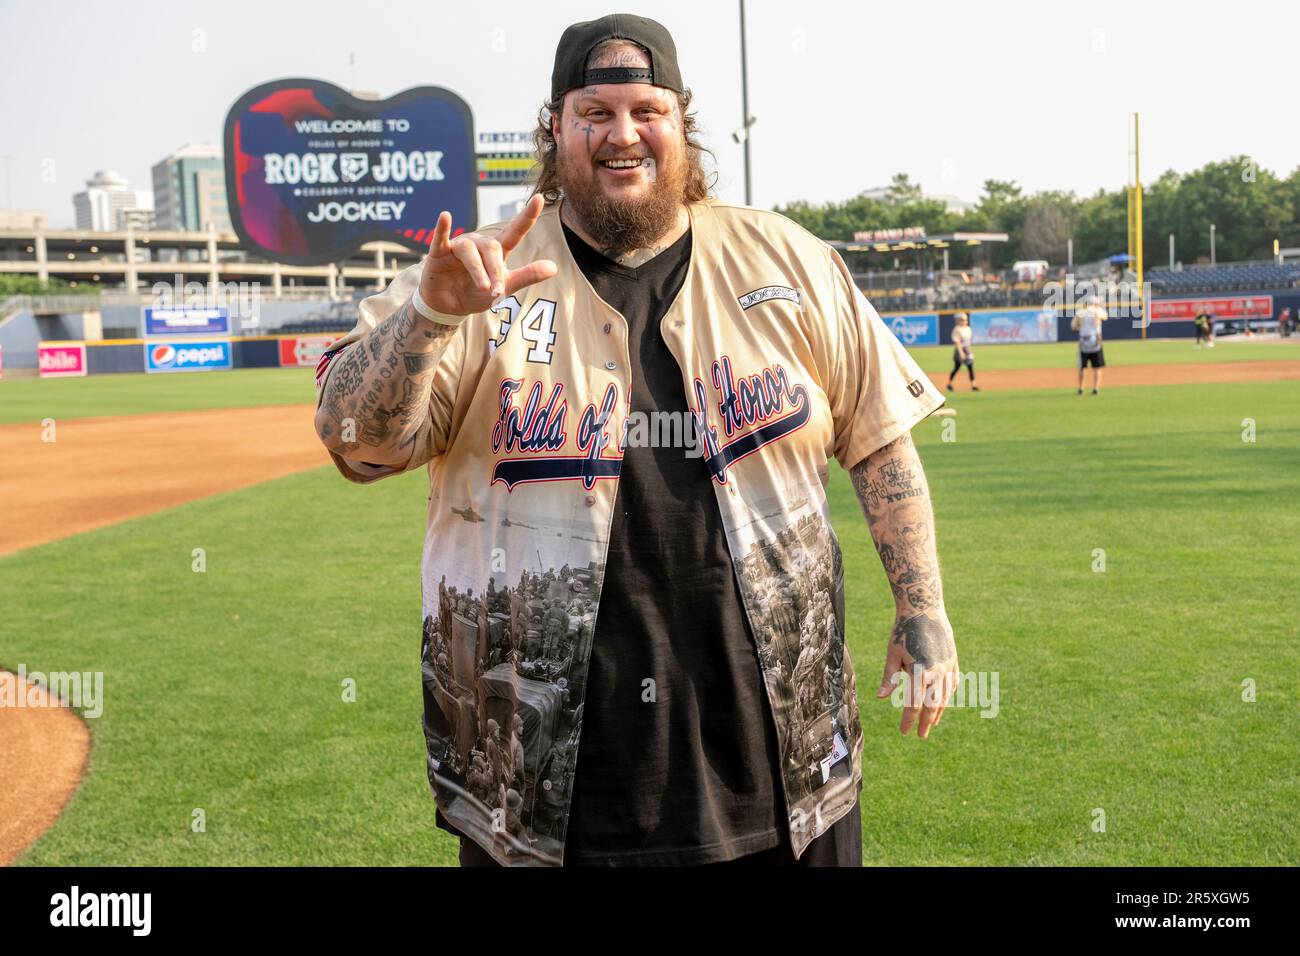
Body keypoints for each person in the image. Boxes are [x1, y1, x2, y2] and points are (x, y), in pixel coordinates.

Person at [313, 13, 959, 869]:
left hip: (786, 770)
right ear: (555, 127)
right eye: (594, 112)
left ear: (681, 120)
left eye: (646, 109)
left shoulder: (789, 260)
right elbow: (357, 440)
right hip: (544, 797)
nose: (623, 135)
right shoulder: (478, 275)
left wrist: (922, 610)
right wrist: (429, 316)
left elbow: (878, 442)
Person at [1072, 295, 1106, 394]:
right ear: (1096, 303)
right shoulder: (1098, 310)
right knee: (1097, 367)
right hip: (1095, 341)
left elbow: (1073, 326)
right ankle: (1096, 388)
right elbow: (1105, 317)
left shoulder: (1080, 312)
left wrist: (1081, 328)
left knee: (1082, 367)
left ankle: (1081, 388)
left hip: (1083, 341)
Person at [946, 312, 978, 391]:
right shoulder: (957, 329)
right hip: (959, 351)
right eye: (962, 320)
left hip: (967, 350)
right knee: (957, 368)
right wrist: (961, 353)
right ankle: (949, 384)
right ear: (959, 321)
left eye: (965, 320)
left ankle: (973, 385)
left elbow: (969, 341)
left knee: (970, 367)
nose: (964, 321)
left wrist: (970, 352)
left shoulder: (968, 328)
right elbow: (957, 342)